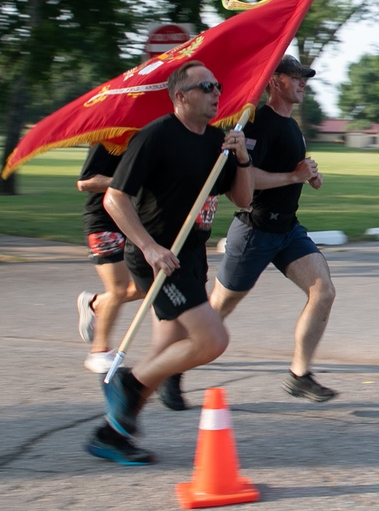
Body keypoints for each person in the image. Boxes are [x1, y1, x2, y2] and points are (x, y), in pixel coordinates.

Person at [84, 60, 254, 465]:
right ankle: (128, 382)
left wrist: (243, 158)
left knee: (167, 350)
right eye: (206, 87)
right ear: (181, 96)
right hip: (158, 258)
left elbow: (243, 200)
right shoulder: (156, 136)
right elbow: (115, 198)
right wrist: (148, 248)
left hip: (190, 257)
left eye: (217, 85)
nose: (216, 93)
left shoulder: (219, 142)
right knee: (212, 340)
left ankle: (112, 434)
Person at [157, 54, 338, 410]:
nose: (303, 82)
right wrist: (292, 177)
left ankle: (300, 376)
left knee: (324, 291)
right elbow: (244, 180)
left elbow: (291, 170)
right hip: (255, 231)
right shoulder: (260, 124)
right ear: (275, 81)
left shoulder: (291, 125)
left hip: (288, 229)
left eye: (305, 77)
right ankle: (170, 371)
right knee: (215, 313)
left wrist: (307, 173)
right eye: (295, 77)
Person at [75, 144, 143, 374]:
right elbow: (85, 182)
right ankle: (98, 352)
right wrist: (127, 179)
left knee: (150, 284)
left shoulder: (151, 137)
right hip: (103, 221)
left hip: (133, 221)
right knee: (119, 289)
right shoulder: (109, 138)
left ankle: (96, 303)